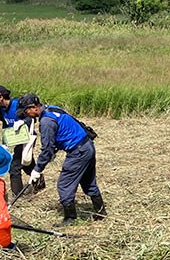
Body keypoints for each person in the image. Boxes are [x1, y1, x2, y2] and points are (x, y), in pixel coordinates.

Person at [16, 94, 106, 226]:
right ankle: (100, 212)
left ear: (34, 108)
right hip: (87, 146)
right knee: (88, 180)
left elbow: (47, 150)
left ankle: (70, 218)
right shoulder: (52, 109)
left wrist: (37, 169)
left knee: (64, 184)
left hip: (78, 152)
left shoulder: (46, 122)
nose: (26, 115)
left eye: (26, 111)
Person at [0, 84, 45, 197]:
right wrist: (4, 142)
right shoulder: (2, 108)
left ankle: (17, 195)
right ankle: (39, 182)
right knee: (27, 163)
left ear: (1, 97)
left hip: (26, 138)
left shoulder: (18, 104)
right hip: (14, 138)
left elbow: (31, 118)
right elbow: (4, 124)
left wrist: (23, 122)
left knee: (14, 167)